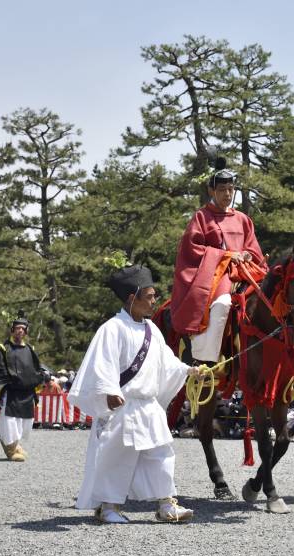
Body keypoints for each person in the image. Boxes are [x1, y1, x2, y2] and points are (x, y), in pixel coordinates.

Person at [70, 265, 208, 524]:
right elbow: (102, 364)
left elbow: (166, 362)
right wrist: (109, 391)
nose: (155, 301)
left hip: (148, 406)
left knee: (161, 453)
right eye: (150, 296)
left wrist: (189, 370)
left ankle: (167, 504)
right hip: (124, 406)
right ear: (132, 298)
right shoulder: (112, 329)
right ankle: (108, 507)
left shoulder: (151, 330)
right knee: (117, 458)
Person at [170, 158, 267, 365]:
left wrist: (249, 254)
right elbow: (191, 249)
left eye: (231, 189)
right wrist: (226, 255)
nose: (228, 194)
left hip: (244, 271)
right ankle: (205, 359)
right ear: (212, 191)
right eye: (222, 189)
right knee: (222, 304)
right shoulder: (201, 217)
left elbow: (253, 247)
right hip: (217, 273)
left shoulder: (243, 219)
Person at [0, 312, 50, 462]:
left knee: (24, 420)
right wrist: (11, 379)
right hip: (11, 391)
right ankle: (10, 448)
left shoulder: (29, 349)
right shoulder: (3, 348)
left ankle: (16, 444)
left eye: (23, 328)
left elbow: (36, 367)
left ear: (26, 331)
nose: (20, 331)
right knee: (9, 419)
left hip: (26, 391)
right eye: (17, 328)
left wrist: (42, 375)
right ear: (12, 330)